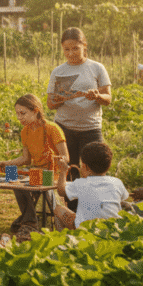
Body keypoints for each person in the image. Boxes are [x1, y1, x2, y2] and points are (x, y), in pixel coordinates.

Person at [46, 27, 112, 208]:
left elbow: (108, 98)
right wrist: (58, 100)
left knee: (95, 169)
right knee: (70, 171)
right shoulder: (58, 71)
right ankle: (73, 212)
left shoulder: (96, 68)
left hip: (90, 128)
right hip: (65, 127)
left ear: (84, 46)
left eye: (75, 48)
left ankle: (96, 208)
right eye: (66, 49)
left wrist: (97, 96)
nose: (71, 53)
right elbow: (50, 104)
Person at [0, 94, 70, 232]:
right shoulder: (25, 131)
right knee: (11, 176)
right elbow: (25, 159)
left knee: (27, 179)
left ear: (36, 111)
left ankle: (28, 221)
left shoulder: (52, 128)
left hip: (52, 174)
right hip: (36, 172)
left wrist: (53, 159)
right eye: (17, 114)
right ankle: (30, 220)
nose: (19, 117)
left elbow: (65, 157)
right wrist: (6, 163)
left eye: (23, 113)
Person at [53, 142, 129, 230]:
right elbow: (124, 199)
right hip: (111, 228)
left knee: (58, 209)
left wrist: (63, 171)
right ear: (109, 165)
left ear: (85, 167)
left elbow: (61, 191)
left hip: (85, 228)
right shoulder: (117, 182)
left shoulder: (81, 183)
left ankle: (65, 240)